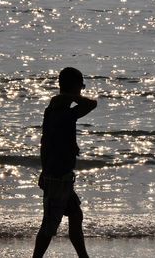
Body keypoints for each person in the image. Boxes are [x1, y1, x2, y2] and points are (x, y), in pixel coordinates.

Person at [33, 67, 97, 258]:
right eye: (81, 86)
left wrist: (67, 96)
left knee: (76, 215)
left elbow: (45, 143)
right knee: (49, 227)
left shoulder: (53, 110)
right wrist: (71, 95)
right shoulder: (62, 113)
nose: (82, 91)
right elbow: (92, 104)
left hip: (61, 176)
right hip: (58, 177)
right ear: (75, 87)